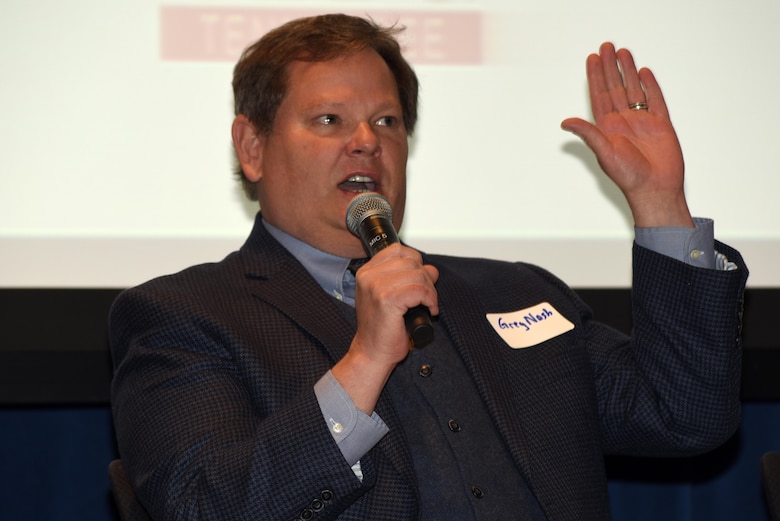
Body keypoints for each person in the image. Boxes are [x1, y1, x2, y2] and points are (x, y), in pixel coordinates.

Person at [109, 13, 748, 521]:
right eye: (329, 120)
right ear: (252, 147)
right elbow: (208, 507)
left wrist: (661, 204)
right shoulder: (187, 317)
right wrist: (362, 361)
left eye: (386, 121)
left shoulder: (513, 289)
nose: (366, 140)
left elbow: (685, 414)